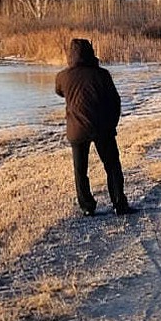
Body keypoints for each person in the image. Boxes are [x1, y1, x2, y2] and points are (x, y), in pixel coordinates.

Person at [54, 38, 134, 216]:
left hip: (76, 129)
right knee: (112, 165)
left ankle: (87, 207)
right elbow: (115, 101)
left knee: (80, 170)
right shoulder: (102, 75)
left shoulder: (63, 76)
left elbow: (59, 92)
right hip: (102, 127)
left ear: (71, 55)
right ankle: (119, 203)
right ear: (91, 53)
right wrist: (112, 124)